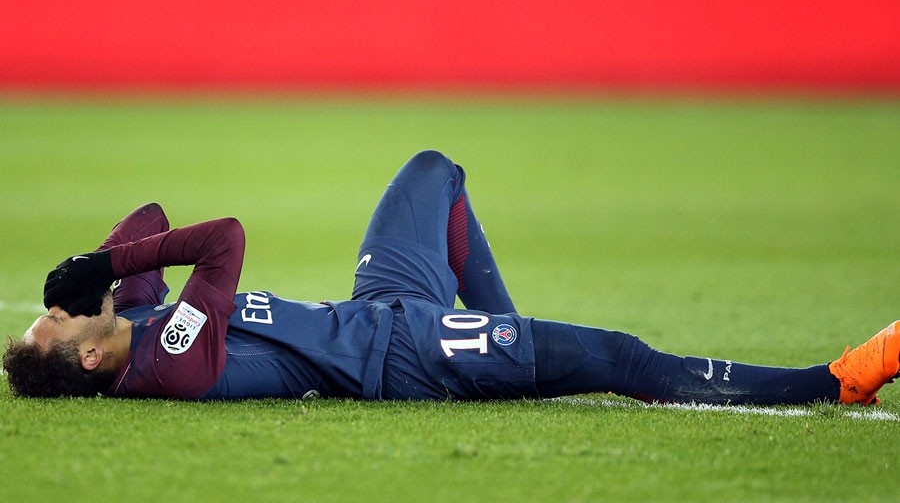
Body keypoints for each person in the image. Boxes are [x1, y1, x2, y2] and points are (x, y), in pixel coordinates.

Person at [3, 150, 898, 406]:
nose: (57, 310)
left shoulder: (133, 325)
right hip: (405, 358)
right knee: (619, 358)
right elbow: (222, 242)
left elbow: (150, 223)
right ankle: (836, 379)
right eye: (55, 323)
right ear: (87, 363)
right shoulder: (169, 364)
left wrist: (96, 269)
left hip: (381, 310)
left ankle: (519, 342)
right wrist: (108, 270)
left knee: (435, 173)